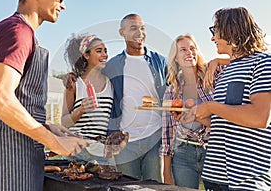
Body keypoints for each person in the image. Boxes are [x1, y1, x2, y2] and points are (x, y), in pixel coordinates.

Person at [0, 0, 88, 190]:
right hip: (7, 155)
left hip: (21, 152)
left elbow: (19, 100)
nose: (63, 6)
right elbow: (0, 99)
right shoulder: (18, 32)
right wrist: (54, 143)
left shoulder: (23, 33)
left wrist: (47, 125)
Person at [193, 7, 271, 191]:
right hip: (214, 177)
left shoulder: (263, 63)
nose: (212, 38)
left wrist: (211, 107)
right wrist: (199, 116)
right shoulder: (227, 71)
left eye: (215, 30)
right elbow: (228, 120)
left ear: (231, 29)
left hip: (246, 180)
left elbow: (260, 117)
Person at [101, 13, 168, 182]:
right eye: (133, 28)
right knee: (127, 186)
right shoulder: (113, 65)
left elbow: (176, 87)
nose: (140, 32)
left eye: (142, 28)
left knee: (154, 187)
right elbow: (94, 82)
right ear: (122, 33)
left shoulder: (160, 62)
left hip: (155, 138)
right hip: (125, 142)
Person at [160, 34, 215, 189]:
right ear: (175, 58)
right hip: (183, 152)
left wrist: (217, 61)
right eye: (182, 50)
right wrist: (166, 173)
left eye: (192, 48)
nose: (189, 52)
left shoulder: (213, 77)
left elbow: (240, 60)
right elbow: (168, 133)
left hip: (213, 150)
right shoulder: (172, 91)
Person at [61, 34, 114, 163]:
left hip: (100, 152)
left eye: (105, 51)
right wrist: (80, 110)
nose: (105, 55)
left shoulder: (111, 84)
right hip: (76, 150)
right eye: (99, 51)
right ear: (86, 55)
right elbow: (64, 122)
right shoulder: (74, 84)